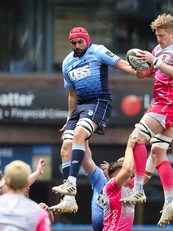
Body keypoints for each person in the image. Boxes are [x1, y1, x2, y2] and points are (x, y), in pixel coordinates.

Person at [50, 26, 136, 212]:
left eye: (80, 41)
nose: (77, 45)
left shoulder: (97, 50)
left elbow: (120, 64)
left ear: (86, 40)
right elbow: (72, 93)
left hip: (99, 101)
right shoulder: (67, 62)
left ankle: (71, 183)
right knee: (66, 146)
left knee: (79, 134)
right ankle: (69, 199)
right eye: (73, 43)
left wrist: (140, 73)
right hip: (79, 107)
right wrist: (68, 118)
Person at [119, 13, 173, 227]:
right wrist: (140, 66)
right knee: (157, 152)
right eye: (157, 35)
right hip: (163, 103)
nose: (158, 39)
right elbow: (148, 73)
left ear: (172, 33)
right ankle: (169, 200)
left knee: (136, 139)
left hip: (170, 104)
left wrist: (156, 61)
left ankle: (138, 188)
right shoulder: (158, 50)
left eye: (161, 35)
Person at [96, 135, 138, 231]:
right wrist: (129, 146)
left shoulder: (131, 187)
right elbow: (126, 171)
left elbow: (147, 173)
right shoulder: (109, 188)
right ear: (115, 177)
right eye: (126, 175)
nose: (130, 175)